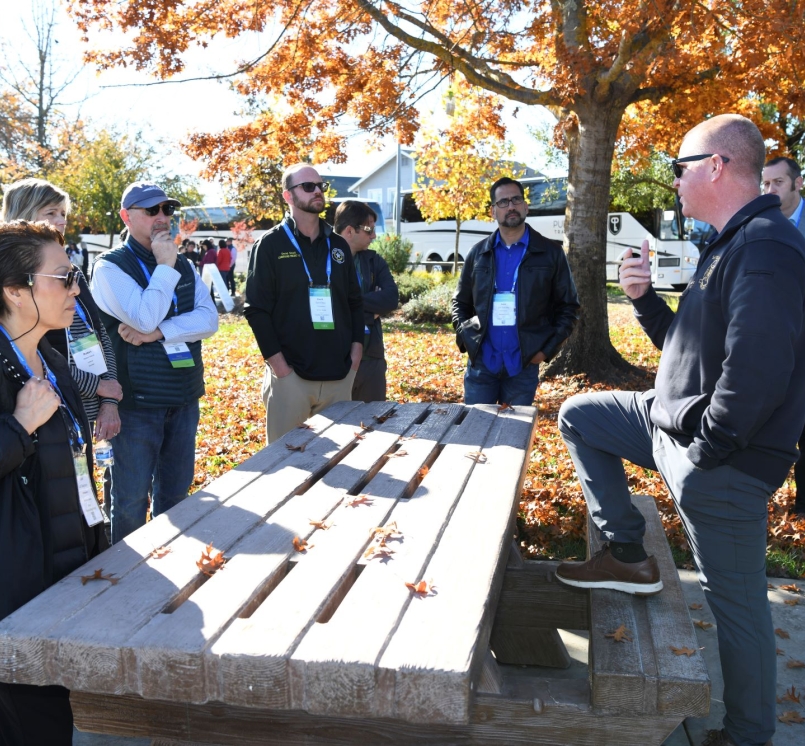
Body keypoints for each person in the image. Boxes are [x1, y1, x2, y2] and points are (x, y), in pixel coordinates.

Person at [556, 115, 805, 746]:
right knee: (580, 415)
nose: (673, 180)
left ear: (716, 166)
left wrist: (706, 450)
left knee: (739, 610)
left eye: (679, 166)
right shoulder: (729, 241)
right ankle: (630, 554)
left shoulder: (767, 248)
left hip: (720, 461)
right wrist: (643, 302)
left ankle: (747, 736)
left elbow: (759, 374)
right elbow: (688, 351)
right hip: (670, 428)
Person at [0, 220, 108, 743]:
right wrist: (19, 427)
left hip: (64, 574)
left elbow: (77, 465)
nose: (76, 289)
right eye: (64, 278)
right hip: (15, 592)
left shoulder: (55, 362)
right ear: (15, 290)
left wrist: (97, 549)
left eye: (77, 276)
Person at [90, 182, 218, 544]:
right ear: (126, 217)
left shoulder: (186, 265)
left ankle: (169, 571)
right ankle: (122, 585)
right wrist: (165, 265)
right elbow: (144, 317)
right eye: (151, 211)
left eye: (167, 210)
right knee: (130, 501)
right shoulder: (110, 267)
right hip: (135, 404)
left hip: (183, 396)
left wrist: (159, 333)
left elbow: (209, 321)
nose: (162, 218)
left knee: (175, 497)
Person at [245, 163, 363, 443]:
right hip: (292, 377)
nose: (317, 191)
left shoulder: (339, 245)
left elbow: (355, 302)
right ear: (288, 196)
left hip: (339, 375)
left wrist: (356, 354)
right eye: (308, 187)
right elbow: (256, 310)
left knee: (337, 464)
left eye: (321, 186)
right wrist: (280, 368)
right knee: (286, 463)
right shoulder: (270, 245)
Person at [1, 179, 123, 442]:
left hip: (86, 407)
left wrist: (109, 397)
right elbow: (40, 358)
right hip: (46, 412)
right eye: (51, 212)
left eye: (64, 214)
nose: (62, 220)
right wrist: (98, 386)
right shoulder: (22, 288)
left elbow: (99, 335)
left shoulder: (73, 273)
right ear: (22, 215)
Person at [451, 176, 579, 405]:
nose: (510, 206)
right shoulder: (477, 253)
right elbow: (460, 303)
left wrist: (545, 351)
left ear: (525, 206)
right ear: (493, 211)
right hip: (482, 364)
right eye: (503, 202)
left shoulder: (551, 253)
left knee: (514, 437)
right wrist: (468, 340)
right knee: (473, 433)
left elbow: (568, 307)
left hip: (523, 365)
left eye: (516, 200)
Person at [762, 156, 805, 517]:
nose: (769, 190)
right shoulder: (761, 224)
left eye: (777, 182)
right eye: (765, 183)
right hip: (774, 341)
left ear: (797, 183)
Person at [333, 200, 398, 402]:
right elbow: (330, 306)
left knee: (375, 428)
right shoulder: (325, 261)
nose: (374, 236)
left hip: (372, 359)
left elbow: (390, 298)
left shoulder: (374, 260)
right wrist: (371, 310)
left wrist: (348, 304)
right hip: (336, 359)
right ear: (350, 231)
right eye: (369, 230)